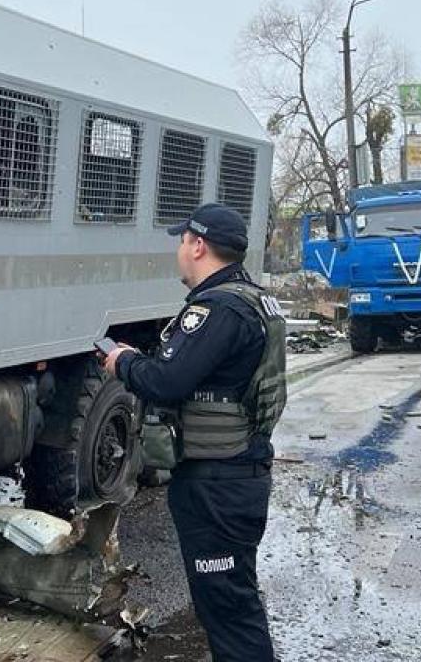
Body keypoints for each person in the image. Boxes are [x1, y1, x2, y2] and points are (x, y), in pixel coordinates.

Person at [102, 203, 287, 662]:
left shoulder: (216, 310)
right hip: (236, 474)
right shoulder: (253, 299)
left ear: (199, 245)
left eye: (182, 241)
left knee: (229, 610)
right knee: (230, 602)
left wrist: (123, 361)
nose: (180, 251)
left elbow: (167, 382)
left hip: (218, 484)